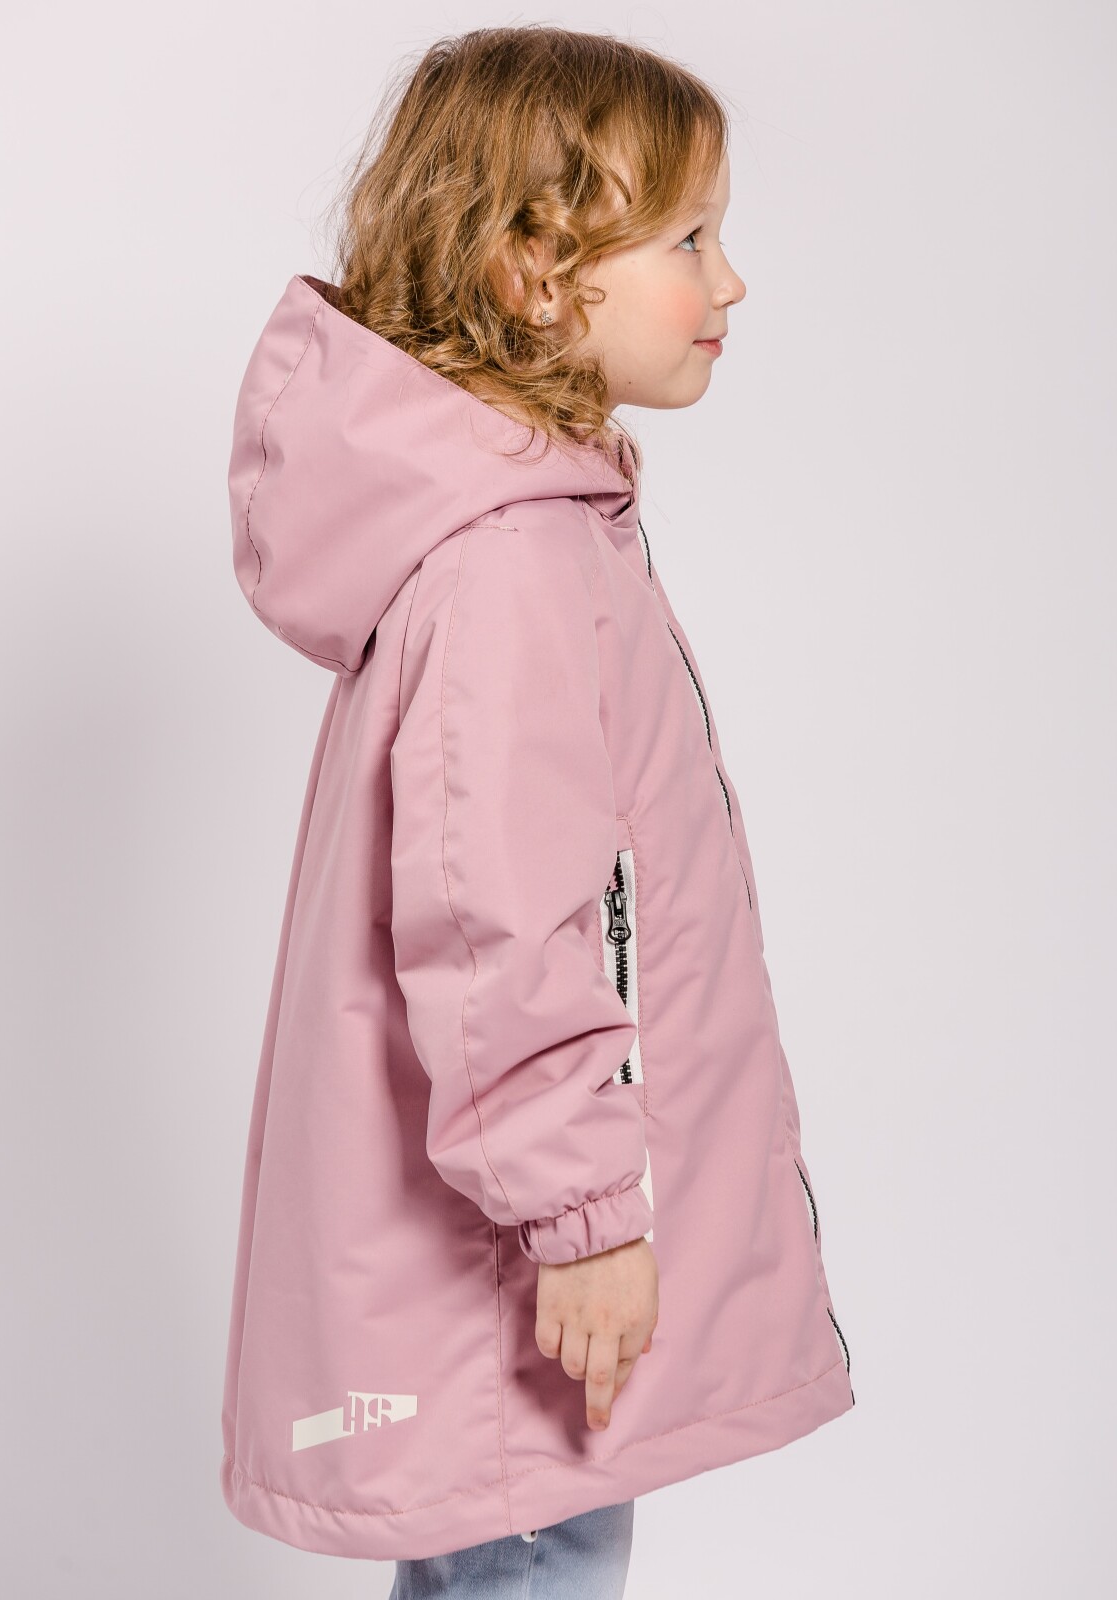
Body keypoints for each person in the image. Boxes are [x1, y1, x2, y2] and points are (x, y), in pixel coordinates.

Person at [219, 23, 855, 1599]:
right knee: (529, 1553)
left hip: (497, 1233)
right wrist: (582, 1218)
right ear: (531, 271)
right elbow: (501, 918)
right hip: (509, 1252)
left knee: (514, 1550)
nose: (730, 280)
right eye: (687, 239)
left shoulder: (529, 530)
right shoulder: (512, 561)